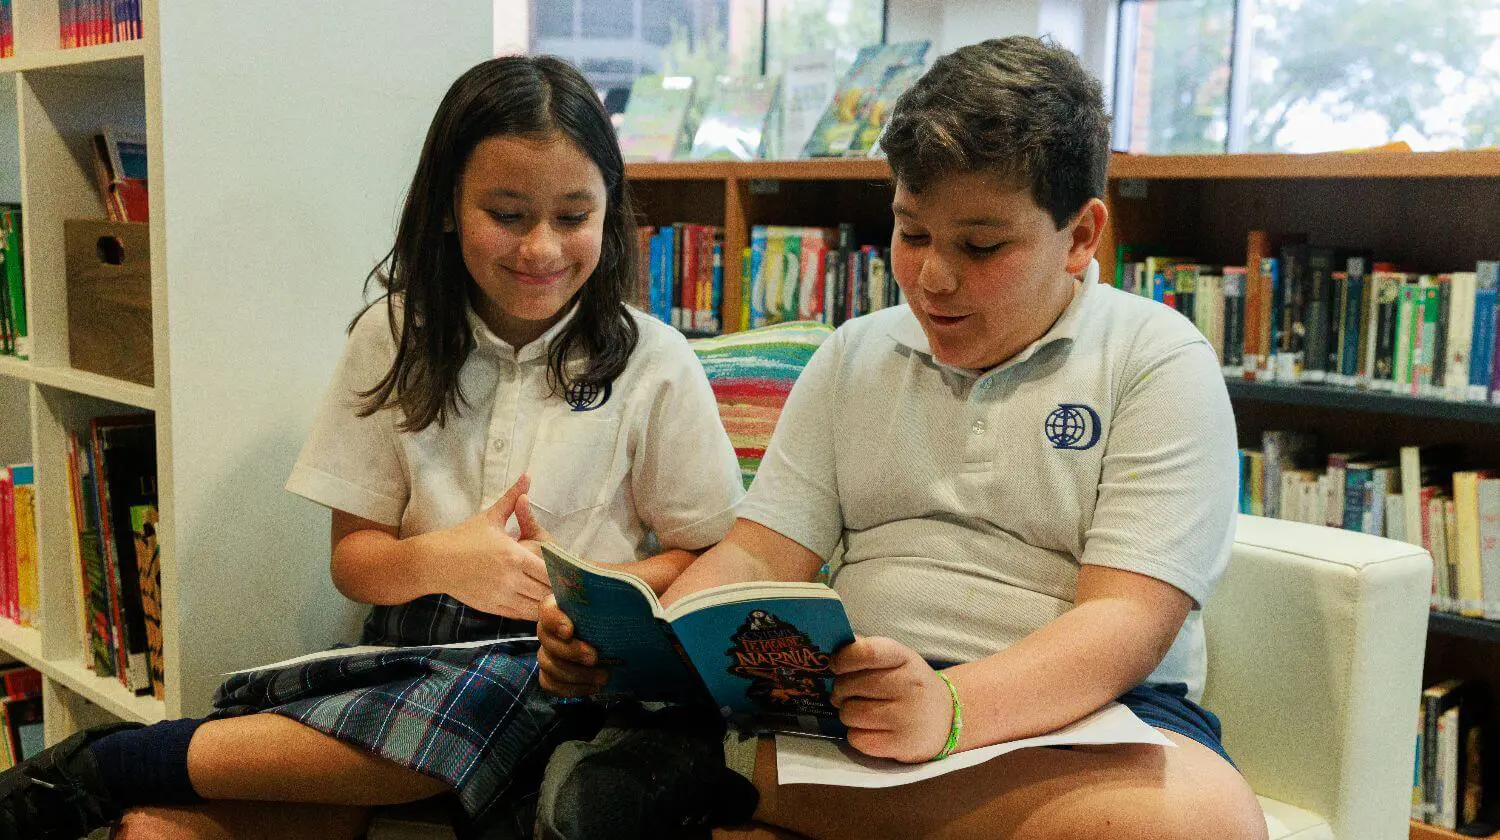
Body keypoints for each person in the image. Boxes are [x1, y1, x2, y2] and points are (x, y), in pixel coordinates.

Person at [534, 36, 1269, 840]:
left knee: (1207, 820)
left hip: (1088, 715)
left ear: (1082, 235)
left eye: (981, 246)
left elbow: (1126, 620)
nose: (932, 279)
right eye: (912, 235)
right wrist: (642, 643)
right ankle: (734, 776)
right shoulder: (855, 354)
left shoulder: (1155, 360)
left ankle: (729, 780)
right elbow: (761, 555)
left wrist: (951, 710)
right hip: (858, 699)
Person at [0, 54, 746, 840]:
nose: (540, 249)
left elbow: (708, 554)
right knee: (157, 832)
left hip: (561, 665)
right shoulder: (392, 335)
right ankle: (119, 778)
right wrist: (447, 561)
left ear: (610, 210)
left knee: (498, 696)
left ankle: (107, 763)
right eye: (507, 214)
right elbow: (355, 561)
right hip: (406, 658)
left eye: (572, 217)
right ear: (448, 206)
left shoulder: (654, 361)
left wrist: (594, 593)